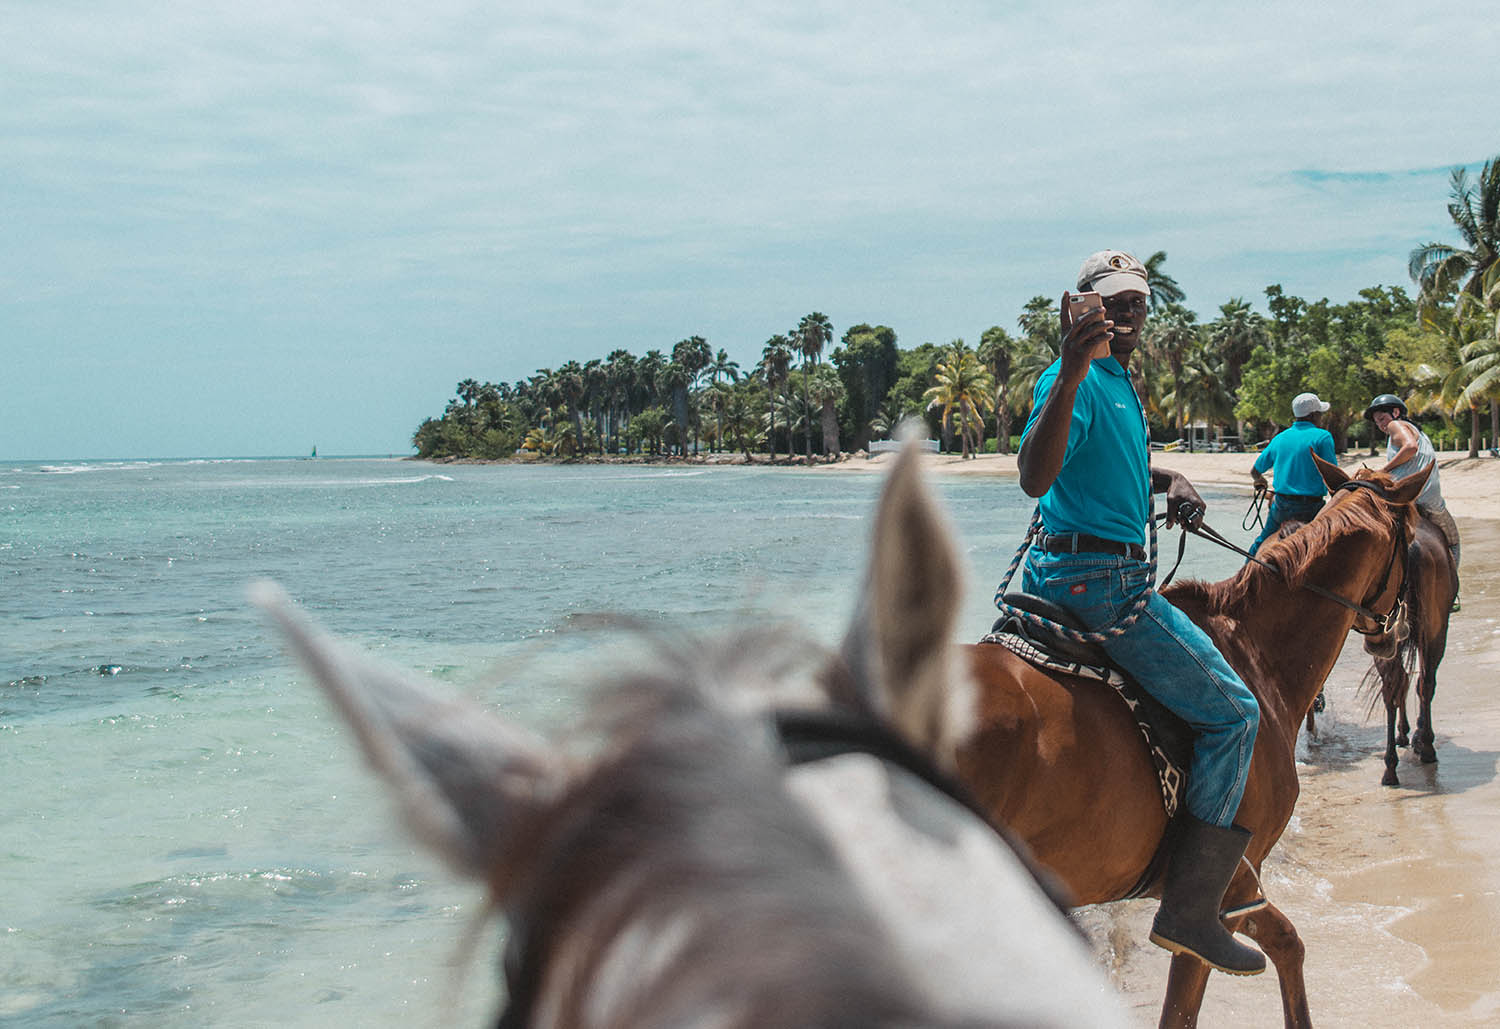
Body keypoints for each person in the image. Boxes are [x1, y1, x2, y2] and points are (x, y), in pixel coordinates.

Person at [1016, 249, 1264, 976]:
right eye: (1112, 300)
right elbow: (1036, 474)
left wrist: (1173, 476)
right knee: (1237, 714)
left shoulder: (1118, 382)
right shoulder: (1079, 378)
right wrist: (1066, 370)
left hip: (1069, 566)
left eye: (1137, 302)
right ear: (1082, 304)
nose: (1127, 311)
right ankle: (1189, 908)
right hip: (1104, 584)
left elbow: (1117, 463)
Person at [1365, 394, 1461, 604]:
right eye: (1378, 422)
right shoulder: (1419, 432)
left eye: (1382, 418)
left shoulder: (1396, 425)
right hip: (1431, 501)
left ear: (1396, 412)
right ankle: (1450, 595)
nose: (1381, 424)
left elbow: (1410, 448)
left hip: (1406, 498)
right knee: (1452, 544)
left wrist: (1383, 470)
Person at [1246, 392, 1338, 556]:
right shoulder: (1323, 437)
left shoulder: (1280, 438)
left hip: (1282, 506)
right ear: (1313, 415)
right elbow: (1334, 478)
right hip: (1311, 508)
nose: (1321, 417)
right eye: (1320, 413)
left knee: (1260, 544)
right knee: (1331, 549)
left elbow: (1255, 471)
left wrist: (1260, 482)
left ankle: (1243, 577)